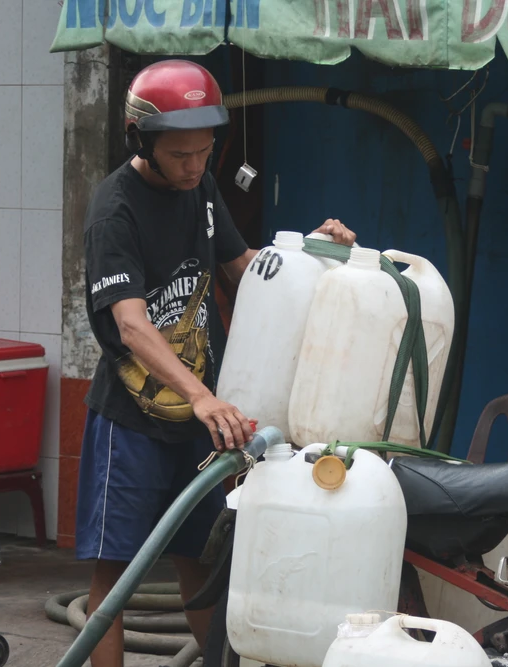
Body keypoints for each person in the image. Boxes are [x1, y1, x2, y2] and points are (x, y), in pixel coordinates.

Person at [75, 59, 356, 666]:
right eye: (181, 155)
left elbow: (246, 268)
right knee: (114, 575)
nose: (196, 166)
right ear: (142, 142)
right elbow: (131, 324)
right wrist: (202, 396)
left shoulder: (199, 189)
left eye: (204, 152)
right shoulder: (114, 211)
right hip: (131, 422)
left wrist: (312, 253)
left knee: (199, 566)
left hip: (197, 422)